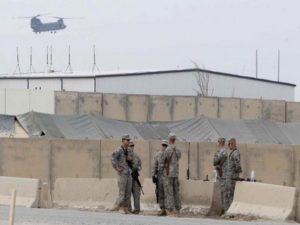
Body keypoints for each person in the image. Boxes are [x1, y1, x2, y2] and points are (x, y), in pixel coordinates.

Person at [111, 134, 133, 214]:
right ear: (123, 140)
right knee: (122, 191)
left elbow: (131, 159)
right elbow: (113, 159)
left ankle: (125, 208)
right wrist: (117, 168)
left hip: (129, 173)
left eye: (129, 140)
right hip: (122, 173)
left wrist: (129, 158)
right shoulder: (119, 150)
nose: (128, 141)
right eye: (127, 140)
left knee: (128, 192)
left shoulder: (129, 150)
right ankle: (117, 206)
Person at [162, 133, 181, 216]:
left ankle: (170, 210)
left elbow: (163, 160)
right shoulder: (178, 150)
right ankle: (177, 209)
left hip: (168, 173)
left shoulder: (167, 150)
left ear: (169, 139)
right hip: (175, 174)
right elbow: (178, 158)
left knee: (169, 192)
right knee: (176, 192)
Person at [152, 140, 168, 216]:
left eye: (165, 145)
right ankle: (162, 209)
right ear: (161, 145)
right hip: (160, 175)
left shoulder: (169, 155)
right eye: (163, 145)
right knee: (160, 192)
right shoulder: (157, 155)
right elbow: (155, 165)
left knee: (168, 192)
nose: (164, 147)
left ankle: (168, 209)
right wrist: (153, 175)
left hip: (168, 176)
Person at [225, 138, 242, 210]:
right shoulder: (233, 152)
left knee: (231, 193)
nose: (228, 146)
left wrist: (237, 172)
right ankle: (229, 209)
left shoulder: (235, 153)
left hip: (232, 177)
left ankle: (231, 210)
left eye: (229, 144)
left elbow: (237, 163)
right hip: (230, 176)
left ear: (233, 144)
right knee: (229, 193)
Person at [213, 137, 228, 213]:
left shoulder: (223, 151)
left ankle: (224, 209)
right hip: (220, 173)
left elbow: (215, 161)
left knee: (223, 191)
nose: (218, 143)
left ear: (221, 142)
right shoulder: (220, 151)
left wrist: (215, 157)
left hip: (223, 174)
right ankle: (223, 208)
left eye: (218, 142)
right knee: (222, 191)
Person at [127, 140, 142, 214]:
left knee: (136, 193)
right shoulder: (125, 155)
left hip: (135, 177)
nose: (131, 147)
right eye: (130, 146)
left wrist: (137, 169)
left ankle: (137, 209)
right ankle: (128, 209)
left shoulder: (136, 156)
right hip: (128, 176)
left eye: (133, 146)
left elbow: (140, 165)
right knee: (128, 193)